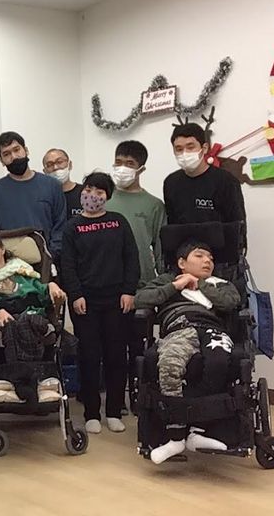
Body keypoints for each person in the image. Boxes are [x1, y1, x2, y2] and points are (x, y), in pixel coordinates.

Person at [135, 241, 241, 464]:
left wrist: (199, 283)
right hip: (179, 326)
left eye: (210, 258)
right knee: (169, 364)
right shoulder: (167, 280)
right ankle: (176, 436)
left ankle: (197, 430)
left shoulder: (221, 283)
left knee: (218, 362)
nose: (207, 261)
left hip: (212, 328)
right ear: (182, 263)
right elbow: (141, 299)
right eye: (200, 256)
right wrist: (176, 285)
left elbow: (230, 302)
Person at [60, 172, 140, 435]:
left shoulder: (118, 222)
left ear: (108, 196)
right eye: (88, 189)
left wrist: (129, 291)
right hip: (86, 302)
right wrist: (75, 295)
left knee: (116, 356)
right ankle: (92, 413)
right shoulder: (72, 226)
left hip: (117, 300)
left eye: (99, 191)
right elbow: (67, 265)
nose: (92, 195)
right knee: (89, 356)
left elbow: (131, 258)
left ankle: (114, 411)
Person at [107, 140, 167, 413]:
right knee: (113, 345)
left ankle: (140, 396)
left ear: (141, 168)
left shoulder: (154, 205)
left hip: (142, 286)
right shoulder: (105, 200)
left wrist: (164, 285)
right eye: (118, 162)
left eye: (129, 164)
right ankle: (115, 399)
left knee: (139, 345)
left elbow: (161, 249)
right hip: (108, 285)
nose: (122, 168)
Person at [0, 232, 67, 403]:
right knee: (13, 324)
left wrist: (52, 285)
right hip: (7, 321)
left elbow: (43, 294)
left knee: (27, 320)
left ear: (1, 249)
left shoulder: (23, 272)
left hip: (33, 316)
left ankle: (22, 379)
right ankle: (28, 378)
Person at [0, 132, 66, 256]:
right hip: (10, 261)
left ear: (26, 150)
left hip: (47, 258)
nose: (14, 157)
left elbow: (60, 225)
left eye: (16, 150)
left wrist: (51, 254)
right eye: (6, 154)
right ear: (2, 161)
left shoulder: (52, 185)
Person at [163, 123, 246, 228]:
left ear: (205, 148)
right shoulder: (171, 182)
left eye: (190, 147)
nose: (185, 153)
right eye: (179, 149)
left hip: (219, 238)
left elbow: (238, 225)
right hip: (183, 239)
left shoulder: (226, 181)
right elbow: (171, 225)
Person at [43, 148, 83, 220]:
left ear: (70, 164)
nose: (55, 167)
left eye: (60, 162)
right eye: (50, 165)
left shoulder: (84, 193)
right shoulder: (43, 197)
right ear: (45, 171)